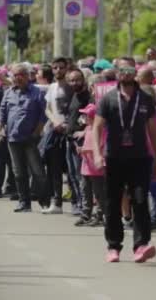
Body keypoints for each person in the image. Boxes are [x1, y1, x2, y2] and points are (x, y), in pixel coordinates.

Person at [92, 61, 156, 263]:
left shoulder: (145, 99)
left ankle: (141, 245)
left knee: (140, 201)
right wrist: (97, 154)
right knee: (113, 202)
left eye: (130, 70)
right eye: (122, 70)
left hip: (140, 158)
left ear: (136, 73)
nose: (126, 74)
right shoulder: (108, 99)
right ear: (117, 74)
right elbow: (97, 127)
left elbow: (153, 131)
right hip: (114, 158)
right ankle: (113, 246)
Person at [0, 63, 47, 213]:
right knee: (18, 173)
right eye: (15, 75)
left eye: (21, 75)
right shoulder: (8, 93)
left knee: (37, 171)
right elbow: (2, 114)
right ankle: (24, 202)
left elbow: (43, 115)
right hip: (13, 138)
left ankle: (45, 201)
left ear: (27, 76)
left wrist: (36, 133)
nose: (18, 78)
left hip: (31, 139)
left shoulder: (37, 92)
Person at [42, 57, 76, 215]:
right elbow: (47, 108)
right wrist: (55, 121)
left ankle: (77, 203)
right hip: (54, 131)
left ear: (67, 68)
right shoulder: (51, 87)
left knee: (72, 170)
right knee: (54, 169)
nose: (57, 71)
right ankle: (57, 203)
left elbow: (76, 109)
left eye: (61, 68)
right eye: (55, 68)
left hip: (70, 132)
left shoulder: (72, 86)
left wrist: (67, 124)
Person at [66, 69, 93, 225]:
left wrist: (83, 134)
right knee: (74, 177)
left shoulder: (89, 97)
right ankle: (81, 207)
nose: (74, 83)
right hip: (70, 141)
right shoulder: (74, 95)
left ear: (83, 79)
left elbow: (91, 119)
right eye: (71, 80)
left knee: (84, 180)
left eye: (77, 80)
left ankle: (86, 212)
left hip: (82, 143)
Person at [77, 103, 106, 227]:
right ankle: (85, 214)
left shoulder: (101, 130)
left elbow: (100, 146)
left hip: (96, 168)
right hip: (86, 166)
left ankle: (99, 215)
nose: (85, 117)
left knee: (98, 192)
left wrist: (85, 150)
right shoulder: (87, 128)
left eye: (87, 115)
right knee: (85, 190)